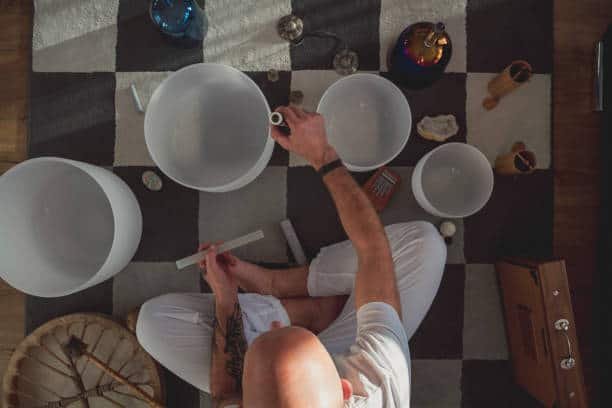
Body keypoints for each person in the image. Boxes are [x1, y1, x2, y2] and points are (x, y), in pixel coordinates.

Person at [136, 106, 447, 407]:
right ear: (344, 390)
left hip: (297, 377)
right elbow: (372, 250)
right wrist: (323, 155)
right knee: (426, 243)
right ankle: (291, 293)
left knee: (151, 323)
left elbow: (225, 394)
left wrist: (227, 301)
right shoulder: (381, 383)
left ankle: (297, 306)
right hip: (339, 362)